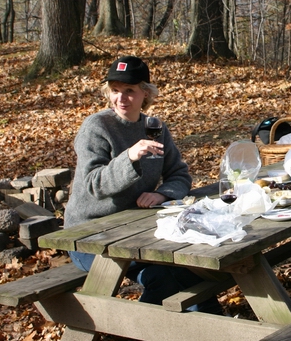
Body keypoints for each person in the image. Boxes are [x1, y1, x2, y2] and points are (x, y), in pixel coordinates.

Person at [64, 55, 222, 313]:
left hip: (136, 230)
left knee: (194, 270)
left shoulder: (154, 127)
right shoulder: (96, 127)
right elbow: (93, 183)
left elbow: (179, 174)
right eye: (115, 91)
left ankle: (213, 336)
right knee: (163, 277)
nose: (121, 98)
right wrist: (129, 157)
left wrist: (162, 194)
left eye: (129, 91)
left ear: (145, 93)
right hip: (88, 236)